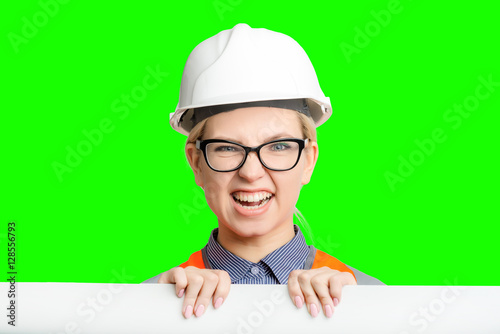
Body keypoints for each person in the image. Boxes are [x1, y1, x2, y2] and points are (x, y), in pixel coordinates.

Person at [142, 23, 384, 319]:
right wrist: (151, 315)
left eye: (279, 147)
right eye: (227, 148)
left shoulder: (374, 301)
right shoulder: (143, 305)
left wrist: (360, 319)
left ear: (308, 160)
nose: (251, 172)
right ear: (196, 163)